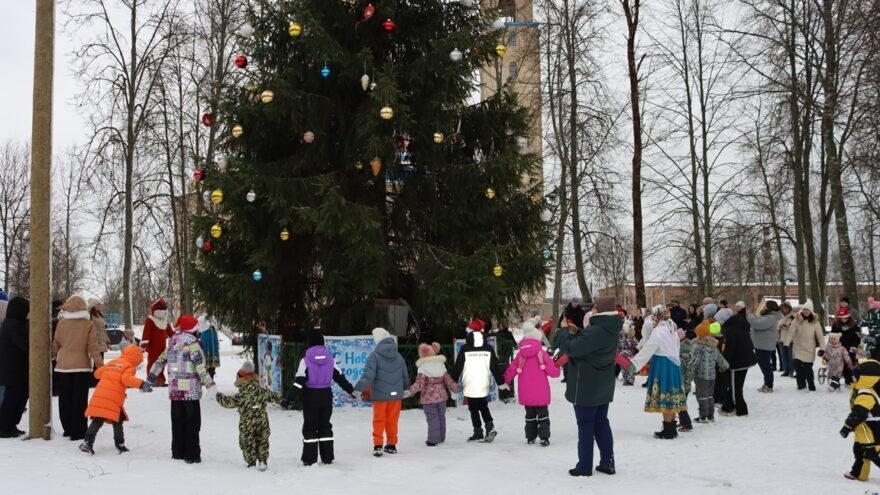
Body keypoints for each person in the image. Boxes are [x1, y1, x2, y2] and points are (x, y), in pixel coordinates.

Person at [555, 296, 619, 477]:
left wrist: (564, 332)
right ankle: (608, 462)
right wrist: (579, 332)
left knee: (585, 425)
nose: (593, 310)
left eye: (595, 307)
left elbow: (573, 349)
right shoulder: (609, 327)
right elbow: (590, 345)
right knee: (601, 423)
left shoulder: (596, 330)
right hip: (602, 385)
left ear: (600, 310)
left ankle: (584, 466)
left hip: (586, 385)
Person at [146, 314, 216, 463]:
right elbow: (200, 366)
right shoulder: (193, 344)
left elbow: (159, 361)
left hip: (175, 389)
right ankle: (192, 455)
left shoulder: (172, 342)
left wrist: (150, 379)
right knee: (192, 423)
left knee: (177, 422)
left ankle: (178, 452)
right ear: (193, 329)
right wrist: (210, 384)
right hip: (190, 391)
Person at [283, 330, 356, 465]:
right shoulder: (330, 359)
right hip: (326, 395)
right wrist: (352, 391)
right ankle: (327, 457)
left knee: (310, 426)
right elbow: (340, 378)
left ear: (310, 343)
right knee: (325, 426)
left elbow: (299, 383)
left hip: (311, 396)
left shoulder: (305, 361)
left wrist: (289, 399)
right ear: (323, 343)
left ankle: (310, 459)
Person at [79, 345, 152, 455]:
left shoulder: (113, 362)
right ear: (136, 359)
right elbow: (126, 379)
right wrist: (142, 384)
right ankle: (119, 443)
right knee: (118, 420)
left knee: (99, 419)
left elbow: (97, 374)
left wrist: (109, 369)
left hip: (100, 394)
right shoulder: (129, 367)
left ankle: (87, 441)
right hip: (113, 398)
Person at [629, 305, 688, 439]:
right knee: (672, 394)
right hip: (673, 363)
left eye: (654, 316)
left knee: (665, 393)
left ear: (657, 315)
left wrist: (635, 364)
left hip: (663, 364)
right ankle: (672, 427)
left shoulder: (660, 330)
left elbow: (649, 347)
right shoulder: (671, 325)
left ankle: (668, 430)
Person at [53, 295, 104, 440]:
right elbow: (93, 348)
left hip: (63, 366)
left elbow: (56, 343)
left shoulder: (61, 324)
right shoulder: (88, 324)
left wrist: (52, 355)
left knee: (64, 399)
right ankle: (78, 430)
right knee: (79, 399)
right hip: (82, 366)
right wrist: (100, 365)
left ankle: (67, 429)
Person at [217, 361, 282, 471]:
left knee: (247, 441)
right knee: (262, 440)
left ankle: (251, 462)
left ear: (241, 379)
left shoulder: (241, 395)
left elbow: (227, 402)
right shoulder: (262, 390)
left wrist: (218, 395)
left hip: (247, 424)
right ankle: (262, 461)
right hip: (262, 422)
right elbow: (276, 397)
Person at [355, 327, 409, 457]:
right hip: (396, 396)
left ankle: (378, 445)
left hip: (380, 395)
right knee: (393, 420)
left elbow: (368, 375)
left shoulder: (374, 355)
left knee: (379, 420)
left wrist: (358, 389)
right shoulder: (398, 356)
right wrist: (406, 388)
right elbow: (404, 374)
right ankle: (391, 444)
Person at [451, 319, 507, 443]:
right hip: (483, 382)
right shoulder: (488, 348)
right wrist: (501, 382)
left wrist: (452, 382)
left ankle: (478, 432)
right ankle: (490, 426)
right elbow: (494, 367)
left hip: (470, 382)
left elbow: (458, 367)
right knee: (483, 405)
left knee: (473, 408)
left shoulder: (465, 348)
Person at [502, 327, 560, 446]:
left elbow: (512, 369)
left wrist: (505, 380)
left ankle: (530, 437)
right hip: (541, 391)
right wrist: (557, 369)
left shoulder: (520, 355)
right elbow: (553, 372)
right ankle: (544, 437)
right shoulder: (542, 354)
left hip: (526, 391)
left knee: (530, 415)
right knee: (543, 415)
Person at [404, 342, 459, 446]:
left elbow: (419, 384)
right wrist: (455, 388)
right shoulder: (441, 365)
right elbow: (448, 381)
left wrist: (410, 391)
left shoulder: (423, 368)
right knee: (441, 417)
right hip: (442, 398)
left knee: (432, 418)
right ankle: (441, 437)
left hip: (428, 399)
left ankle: (433, 439)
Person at [840, 357, 880, 481]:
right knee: (860, 453)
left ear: (864, 378)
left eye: (855, 376)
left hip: (871, 432)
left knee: (871, 454)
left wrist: (847, 427)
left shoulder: (865, 394)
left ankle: (858, 474)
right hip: (863, 431)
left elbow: (858, 414)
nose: (852, 378)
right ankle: (858, 474)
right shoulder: (863, 390)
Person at [719, 302, 757, 416]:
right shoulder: (739, 324)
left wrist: (725, 362)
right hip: (744, 359)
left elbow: (730, 347)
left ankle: (740, 409)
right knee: (735, 386)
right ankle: (728, 406)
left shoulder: (731, 328)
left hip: (737, 362)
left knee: (735, 387)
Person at [0, 297, 29, 437]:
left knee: (19, 398)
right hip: (13, 370)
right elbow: (25, 345)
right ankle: (4, 427)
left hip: (16, 369)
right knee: (12, 398)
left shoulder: (14, 323)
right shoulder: (13, 325)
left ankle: (10, 425)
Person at [692, 317, 728, 423]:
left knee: (701, 396)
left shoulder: (698, 346)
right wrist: (724, 366)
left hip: (701, 376)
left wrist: (690, 371)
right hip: (712, 375)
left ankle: (703, 416)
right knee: (709, 395)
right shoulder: (713, 346)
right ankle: (711, 415)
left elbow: (695, 361)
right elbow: (720, 358)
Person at [784, 300, 825, 391]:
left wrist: (822, 348)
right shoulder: (796, 320)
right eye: (804, 309)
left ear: (811, 311)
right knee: (798, 368)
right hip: (798, 347)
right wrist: (786, 343)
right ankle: (801, 385)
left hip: (809, 349)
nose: (806, 311)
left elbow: (820, 337)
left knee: (808, 369)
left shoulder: (815, 322)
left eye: (808, 310)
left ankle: (811, 385)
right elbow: (791, 333)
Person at [747, 300, 782, 393]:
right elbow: (758, 321)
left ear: (769, 307)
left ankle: (769, 385)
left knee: (766, 366)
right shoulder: (767, 316)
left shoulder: (771, 317)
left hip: (764, 345)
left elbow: (758, 324)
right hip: (760, 344)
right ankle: (766, 383)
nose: (763, 307)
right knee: (763, 365)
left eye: (765, 306)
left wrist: (750, 315)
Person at [141, 298, 173, 387]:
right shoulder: (150, 320)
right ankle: (152, 380)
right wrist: (143, 346)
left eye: (164, 309)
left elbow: (171, 332)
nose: (164, 312)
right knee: (153, 362)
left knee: (161, 363)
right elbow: (146, 334)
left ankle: (160, 380)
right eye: (161, 309)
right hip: (153, 347)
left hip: (162, 346)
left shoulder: (165, 321)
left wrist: (179, 338)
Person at [832, 307, 862, 386]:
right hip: (840, 346)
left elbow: (858, 336)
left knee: (851, 363)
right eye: (841, 318)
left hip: (851, 346)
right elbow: (833, 336)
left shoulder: (853, 324)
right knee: (843, 363)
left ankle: (850, 380)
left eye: (845, 318)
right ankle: (846, 379)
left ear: (848, 317)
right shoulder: (836, 325)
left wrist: (855, 345)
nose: (844, 320)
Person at [678, 331, 696, 432]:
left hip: (682, 385)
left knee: (681, 405)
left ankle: (686, 423)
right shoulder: (690, 355)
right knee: (683, 403)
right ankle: (682, 422)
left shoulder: (681, 358)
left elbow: (681, 373)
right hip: (688, 384)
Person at [777, 302, 796, 377]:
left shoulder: (793, 316)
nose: (784, 309)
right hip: (782, 338)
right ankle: (786, 370)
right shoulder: (780, 316)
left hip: (790, 339)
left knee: (790, 355)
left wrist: (786, 326)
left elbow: (793, 326)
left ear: (789, 308)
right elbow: (777, 326)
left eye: (786, 307)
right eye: (783, 307)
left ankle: (792, 370)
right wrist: (780, 326)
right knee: (783, 355)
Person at [617, 319, 639, 386]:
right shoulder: (622, 337)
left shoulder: (629, 337)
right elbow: (636, 344)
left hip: (627, 354)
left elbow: (636, 344)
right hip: (626, 354)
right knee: (625, 367)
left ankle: (629, 380)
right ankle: (628, 379)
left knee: (628, 367)